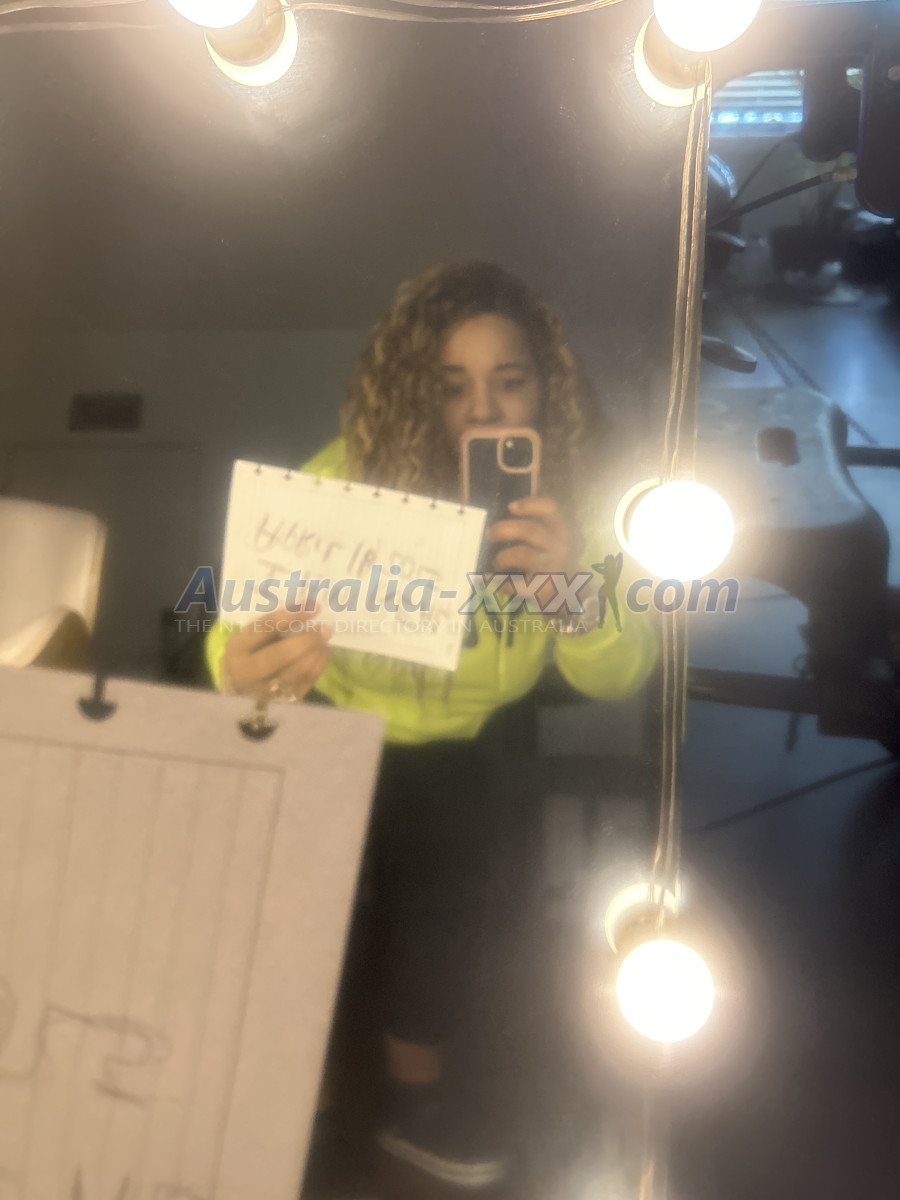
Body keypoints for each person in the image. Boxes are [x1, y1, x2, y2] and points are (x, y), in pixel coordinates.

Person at [205, 261, 656, 1190]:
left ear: (546, 387)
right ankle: (307, 1114)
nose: (483, 410)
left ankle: (418, 1105)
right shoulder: (347, 478)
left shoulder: (576, 507)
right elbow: (234, 626)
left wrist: (570, 591)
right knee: (299, 929)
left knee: (444, 920)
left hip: (459, 746)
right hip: (330, 724)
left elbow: (619, 674)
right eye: (452, 387)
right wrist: (238, 667)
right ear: (416, 394)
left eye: (509, 380)